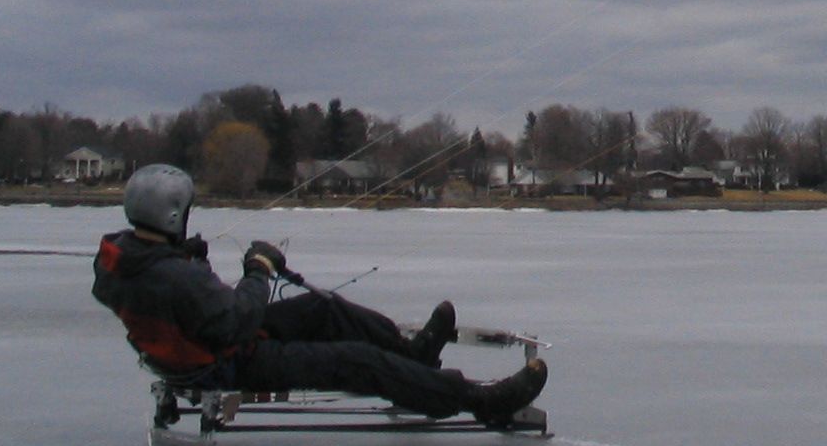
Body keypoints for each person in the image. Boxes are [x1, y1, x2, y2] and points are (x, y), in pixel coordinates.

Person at [92, 163, 546, 425]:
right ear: (173, 216)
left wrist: (190, 259)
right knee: (355, 361)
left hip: (203, 343)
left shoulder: (121, 260)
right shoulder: (173, 277)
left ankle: (414, 356)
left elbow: (186, 302)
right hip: (221, 364)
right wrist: (258, 270)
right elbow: (240, 318)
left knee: (321, 309)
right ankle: (478, 402)